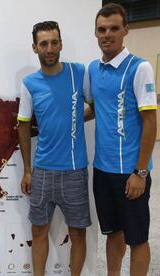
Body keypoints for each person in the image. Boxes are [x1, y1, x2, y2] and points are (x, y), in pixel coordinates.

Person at [18, 21, 92, 276]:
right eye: (44, 43)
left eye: (54, 42)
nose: (50, 48)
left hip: (74, 170)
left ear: (61, 44)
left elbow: (95, 106)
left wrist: (75, 118)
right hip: (42, 172)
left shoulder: (78, 72)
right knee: (38, 231)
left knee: (78, 233)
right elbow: (23, 125)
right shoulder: (29, 83)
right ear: (35, 47)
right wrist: (27, 170)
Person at [89, 3, 157, 276]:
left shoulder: (140, 68)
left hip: (130, 173)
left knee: (137, 239)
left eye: (114, 28)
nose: (108, 34)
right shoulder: (93, 68)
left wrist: (140, 172)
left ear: (125, 30)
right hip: (102, 170)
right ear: (95, 33)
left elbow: (151, 122)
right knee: (113, 234)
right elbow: (95, 108)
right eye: (102, 29)